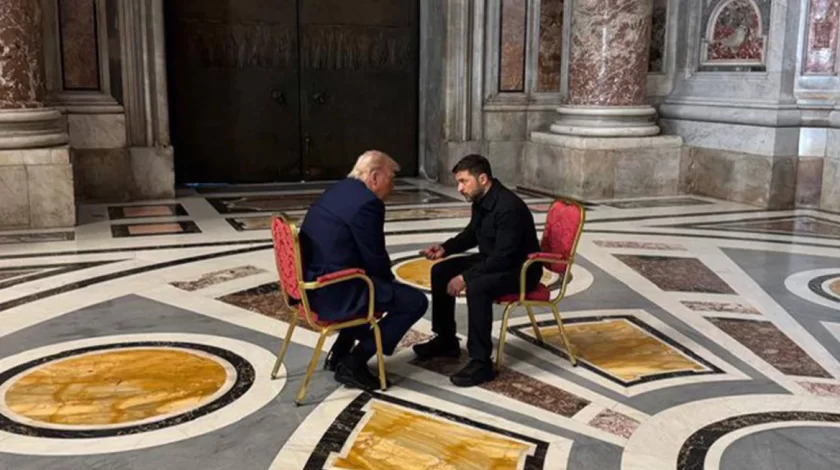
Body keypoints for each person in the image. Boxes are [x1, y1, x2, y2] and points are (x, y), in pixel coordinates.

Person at [299, 150, 428, 390]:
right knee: (414, 302)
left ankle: (339, 352)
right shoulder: (367, 203)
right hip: (334, 292)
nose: (393, 186)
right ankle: (354, 363)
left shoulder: (339, 190)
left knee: (374, 287)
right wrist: (390, 286)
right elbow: (374, 256)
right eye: (391, 178)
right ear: (374, 177)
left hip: (312, 284)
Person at [414, 154, 541, 387]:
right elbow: (472, 234)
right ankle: (446, 340)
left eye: (464, 181)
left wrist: (465, 277)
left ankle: (481, 362)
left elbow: (504, 257)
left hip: (520, 270)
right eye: (459, 182)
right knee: (441, 271)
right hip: (494, 260)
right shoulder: (481, 199)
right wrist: (445, 248)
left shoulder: (509, 208)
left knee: (478, 287)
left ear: (482, 179)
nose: (459, 188)